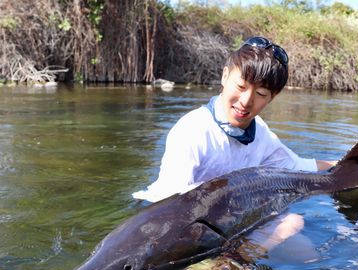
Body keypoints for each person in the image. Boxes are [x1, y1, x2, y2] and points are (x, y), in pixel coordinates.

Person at [133, 36, 341, 203]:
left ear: (272, 98)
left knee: (294, 226)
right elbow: (171, 200)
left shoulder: (260, 132)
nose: (246, 101)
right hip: (166, 215)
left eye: (260, 94)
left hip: (224, 219)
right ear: (225, 77)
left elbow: (297, 166)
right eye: (240, 87)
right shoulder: (193, 129)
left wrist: (351, 162)